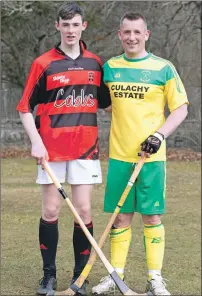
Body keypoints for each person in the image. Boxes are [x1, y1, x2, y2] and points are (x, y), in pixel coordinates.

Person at [16, 2, 111, 295]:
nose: (70, 30)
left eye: (75, 24)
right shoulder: (43, 63)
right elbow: (24, 108)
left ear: (83, 26)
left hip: (85, 149)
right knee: (52, 210)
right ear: (57, 26)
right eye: (65, 24)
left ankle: (79, 278)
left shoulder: (95, 63)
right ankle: (48, 276)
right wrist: (36, 142)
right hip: (51, 152)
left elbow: (109, 104)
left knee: (83, 210)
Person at [92, 12, 188, 296]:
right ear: (119, 35)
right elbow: (103, 104)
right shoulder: (110, 68)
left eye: (137, 32)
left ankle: (154, 279)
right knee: (120, 218)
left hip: (151, 158)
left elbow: (181, 108)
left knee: (151, 217)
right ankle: (116, 276)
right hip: (120, 156)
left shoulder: (163, 68)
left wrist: (159, 135)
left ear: (146, 34)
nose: (131, 37)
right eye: (126, 32)